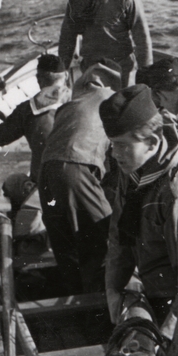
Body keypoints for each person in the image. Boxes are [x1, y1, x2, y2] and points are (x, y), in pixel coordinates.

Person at [99, 85, 178, 329]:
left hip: (175, 298)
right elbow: (119, 234)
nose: (115, 154)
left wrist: (168, 333)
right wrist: (113, 289)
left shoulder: (174, 192)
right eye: (112, 144)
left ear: (153, 142)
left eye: (123, 145)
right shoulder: (133, 165)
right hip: (148, 280)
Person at [37, 59, 122, 293]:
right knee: (107, 236)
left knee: (65, 246)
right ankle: (103, 306)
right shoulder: (114, 103)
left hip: (46, 173)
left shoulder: (72, 104)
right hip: (76, 169)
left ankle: (76, 298)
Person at [0, 53, 69, 185]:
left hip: (46, 183)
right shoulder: (81, 97)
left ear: (38, 79)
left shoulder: (26, 110)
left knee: (11, 185)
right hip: (82, 177)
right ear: (67, 76)